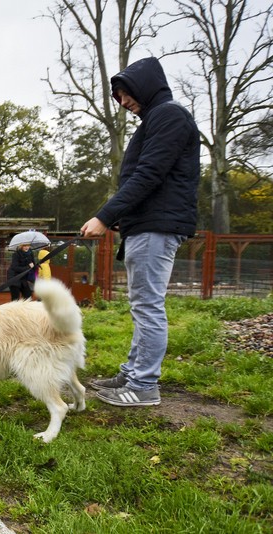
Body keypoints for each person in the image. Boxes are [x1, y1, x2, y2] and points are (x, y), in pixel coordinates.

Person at [81, 57, 200, 407]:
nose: (122, 101)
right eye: (117, 96)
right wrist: (123, 219)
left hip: (157, 226)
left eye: (124, 93)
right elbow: (149, 178)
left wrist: (105, 216)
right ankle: (132, 372)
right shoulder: (156, 118)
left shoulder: (168, 115)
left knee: (147, 307)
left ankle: (144, 385)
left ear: (143, 85)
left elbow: (148, 175)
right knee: (141, 306)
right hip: (147, 224)